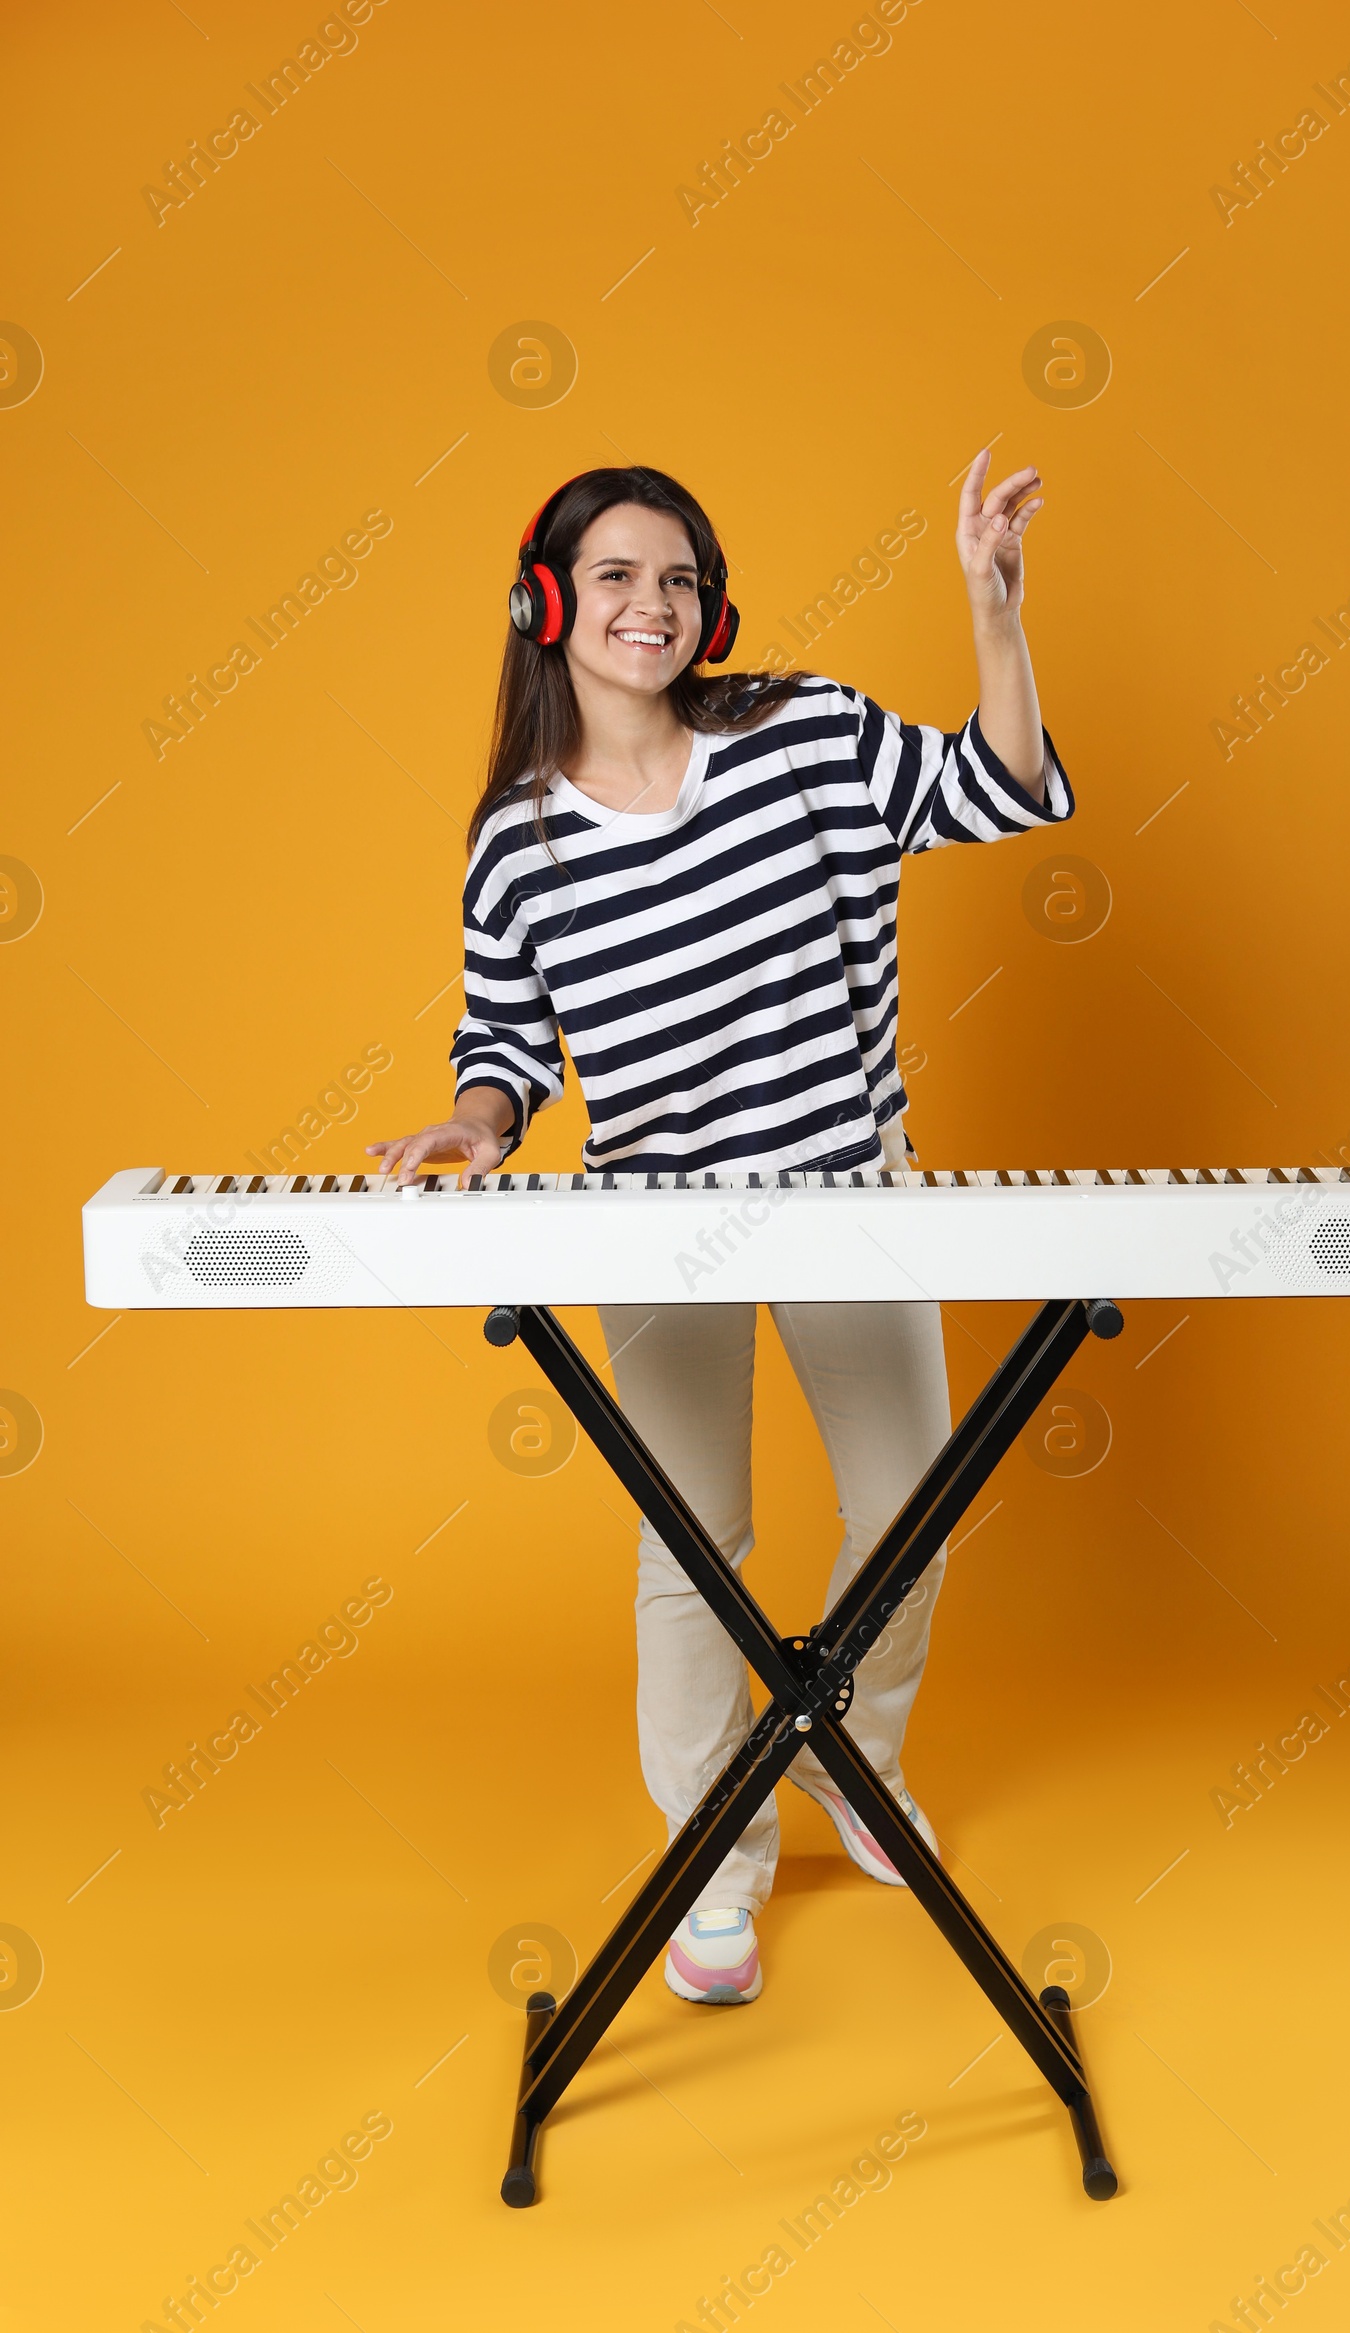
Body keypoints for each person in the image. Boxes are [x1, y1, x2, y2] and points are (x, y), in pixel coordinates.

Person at [368, 456, 1072, 2003]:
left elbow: (998, 790)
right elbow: (507, 1046)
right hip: (657, 1217)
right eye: (618, 574)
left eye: (680, 579)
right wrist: (474, 1125)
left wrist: (992, 611)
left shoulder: (802, 732)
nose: (654, 606)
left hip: (842, 1180)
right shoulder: (516, 839)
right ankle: (715, 1868)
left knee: (912, 1496)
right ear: (546, 603)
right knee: (694, 1546)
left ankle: (841, 1756)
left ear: (714, 605)